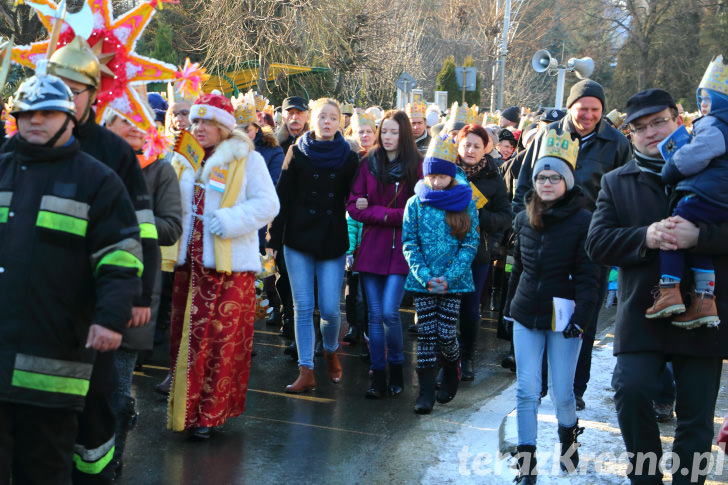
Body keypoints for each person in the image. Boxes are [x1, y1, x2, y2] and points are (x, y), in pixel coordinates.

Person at [0, 68, 141, 484]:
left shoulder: (97, 181)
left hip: (54, 361)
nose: (35, 121)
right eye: (25, 114)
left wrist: (110, 317)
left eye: (45, 113)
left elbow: (121, 256)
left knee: (43, 469)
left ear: (70, 118)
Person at [27, 36, 158, 482]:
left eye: (73, 89)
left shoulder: (113, 152)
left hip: (94, 301)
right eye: (54, 85)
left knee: (96, 403)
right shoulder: (22, 147)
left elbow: (140, 229)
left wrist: (139, 294)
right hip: (35, 302)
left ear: (93, 94)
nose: (61, 98)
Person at [586, 88, 728, 485]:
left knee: (696, 420)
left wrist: (698, 237)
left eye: (659, 121)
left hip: (703, 314)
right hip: (642, 313)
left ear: (678, 119)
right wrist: (645, 237)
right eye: (640, 127)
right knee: (629, 390)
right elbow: (597, 244)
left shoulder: (718, 169)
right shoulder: (617, 182)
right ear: (629, 134)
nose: (651, 132)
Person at [513, 79, 631, 411]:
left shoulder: (616, 143)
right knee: (540, 313)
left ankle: (575, 386)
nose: (589, 115)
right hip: (545, 235)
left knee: (583, 315)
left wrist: (614, 236)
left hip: (591, 241)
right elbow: (524, 185)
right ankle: (538, 384)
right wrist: (525, 223)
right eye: (583, 108)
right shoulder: (548, 135)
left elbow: (624, 192)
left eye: (595, 109)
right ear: (570, 107)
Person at [167, 92, 279, 440]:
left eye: (205, 121)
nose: (197, 127)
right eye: (195, 120)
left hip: (227, 271)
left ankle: (209, 415)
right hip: (190, 268)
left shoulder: (248, 159)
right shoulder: (184, 156)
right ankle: (185, 411)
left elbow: (267, 204)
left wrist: (230, 220)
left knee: (219, 345)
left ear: (223, 127)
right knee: (185, 343)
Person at [504, 128, 600, 484]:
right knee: (526, 389)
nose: (546, 183)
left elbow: (590, 278)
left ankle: (569, 444)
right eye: (542, 176)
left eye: (554, 177)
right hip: (527, 313)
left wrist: (582, 319)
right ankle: (526, 466)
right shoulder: (523, 218)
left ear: (567, 181)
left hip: (566, 319)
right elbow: (517, 268)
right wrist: (508, 309)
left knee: (562, 392)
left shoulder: (583, 222)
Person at [104, 106, 182, 469]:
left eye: (142, 123)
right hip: (86, 291)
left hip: (135, 289)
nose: (136, 129)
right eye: (126, 121)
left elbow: (170, 227)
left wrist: (131, 220)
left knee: (117, 394)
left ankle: (113, 463)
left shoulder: (159, 168)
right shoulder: (91, 159)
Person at [267, 98, 359, 393]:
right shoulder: (296, 152)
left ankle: (331, 351)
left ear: (340, 122)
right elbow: (282, 197)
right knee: (303, 306)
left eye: (333, 117)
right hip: (298, 236)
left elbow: (355, 196)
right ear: (313, 120)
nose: (328, 121)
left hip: (331, 238)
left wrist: (362, 203)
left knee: (331, 309)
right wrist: (272, 239)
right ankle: (306, 369)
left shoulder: (348, 156)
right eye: (322, 116)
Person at [645, 57, 728, 328]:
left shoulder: (716, 126)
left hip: (709, 196)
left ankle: (669, 290)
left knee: (674, 226)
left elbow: (697, 155)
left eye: (706, 100)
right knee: (694, 240)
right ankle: (704, 300)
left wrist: (671, 169)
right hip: (718, 199)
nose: (702, 106)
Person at [347, 110, 423, 398]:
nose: (388, 137)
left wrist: (379, 213)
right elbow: (354, 206)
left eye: (394, 132)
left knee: (391, 312)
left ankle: (397, 367)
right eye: (385, 132)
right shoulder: (368, 163)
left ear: (404, 135)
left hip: (403, 250)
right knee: (375, 314)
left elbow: (418, 210)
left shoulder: (417, 165)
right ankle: (377, 375)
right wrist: (388, 215)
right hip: (372, 248)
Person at [402, 134, 479, 414]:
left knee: (446, 333)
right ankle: (424, 393)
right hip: (424, 282)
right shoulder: (415, 204)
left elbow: (470, 243)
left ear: (451, 175)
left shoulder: (465, 201)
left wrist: (449, 277)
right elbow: (409, 243)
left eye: (441, 177)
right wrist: (424, 276)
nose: (436, 182)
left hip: (453, 282)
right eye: (431, 176)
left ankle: (451, 367)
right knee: (425, 334)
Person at [454, 124, 512, 381]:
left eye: (477, 146)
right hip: (444, 251)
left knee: (469, 308)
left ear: (485, 149)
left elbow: (505, 216)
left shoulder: (493, 177)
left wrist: (481, 215)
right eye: (467, 144)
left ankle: (467, 358)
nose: (471, 150)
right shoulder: (446, 171)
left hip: (478, 252)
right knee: (444, 306)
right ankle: (445, 358)